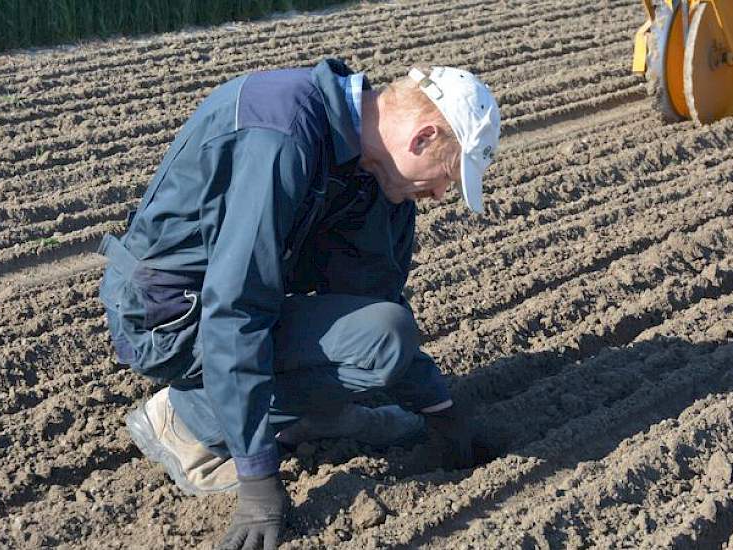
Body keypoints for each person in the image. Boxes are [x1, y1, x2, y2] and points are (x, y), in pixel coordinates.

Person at [97, 58, 500, 550]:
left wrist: (441, 409)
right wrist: (258, 481)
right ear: (422, 137)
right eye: (447, 176)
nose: (440, 193)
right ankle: (188, 420)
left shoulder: (365, 167)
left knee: (379, 331)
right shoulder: (283, 134)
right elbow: (236, 306)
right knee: (379, 336)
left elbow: (372, 303)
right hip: (171, 317)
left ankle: (309, 412)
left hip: (227, 303)